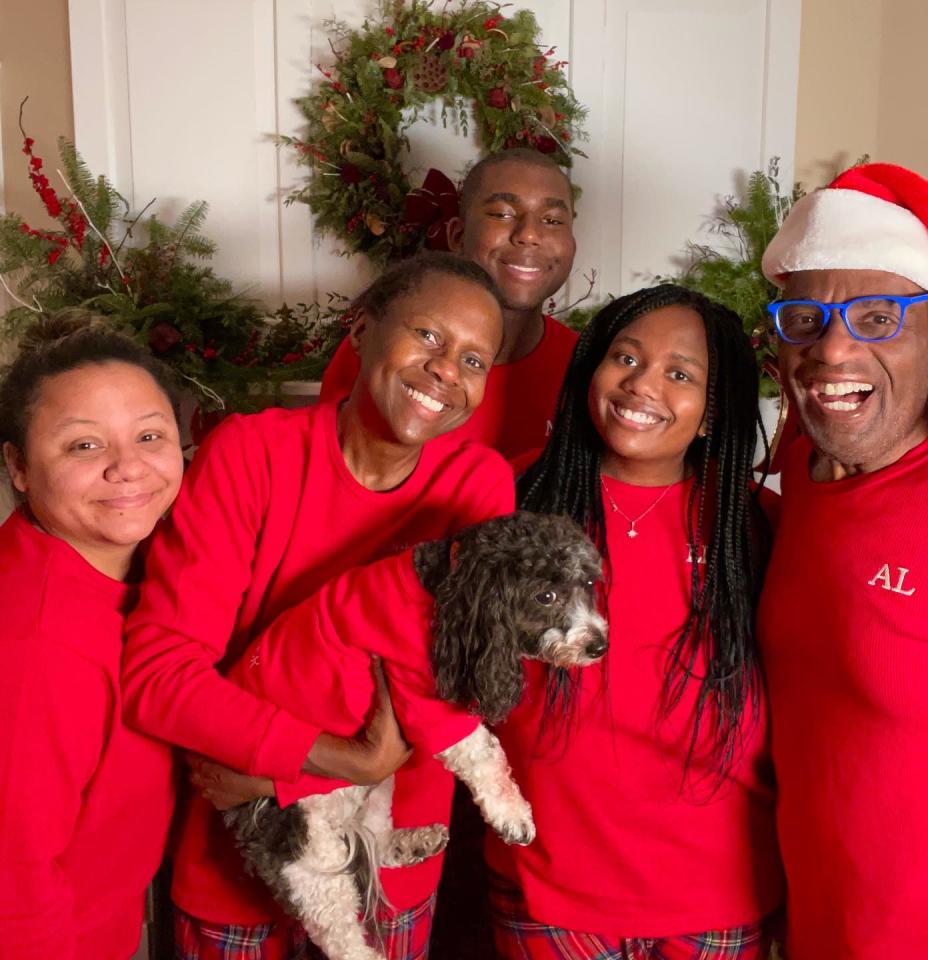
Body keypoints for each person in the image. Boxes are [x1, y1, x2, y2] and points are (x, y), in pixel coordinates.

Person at [120, 252, 516, 960]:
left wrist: (291, 771)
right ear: (361, 328)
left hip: (387, 862)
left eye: (475, 359)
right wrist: (354, 759)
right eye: (427, 336)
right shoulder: (249, 454)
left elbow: (459, 675)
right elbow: (160, 679)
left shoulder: (476, 487)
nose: (447, 371)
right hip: (234, 852)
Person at [487, 284, 782, 958]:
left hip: (717, 890)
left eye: (680, 374)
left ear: (711, 413)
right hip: (550, 883)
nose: (643, 384)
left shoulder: (756, 523)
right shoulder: (514, 495)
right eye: (625, 357)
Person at [758, 163, 928, 958]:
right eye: (804, 319)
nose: (832, 349)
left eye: (879, 318)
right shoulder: (801, 473)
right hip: (810, 921)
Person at [0, 321, 184, 959]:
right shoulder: (35, 642)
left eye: (151, 436)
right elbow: (13, 883)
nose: (129, 467)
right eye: (83, 445)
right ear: (18, 466)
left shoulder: (142, 565)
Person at [320, 148, 579, 461]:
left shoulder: (586, 368)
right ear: (457, 235)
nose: (528, 235)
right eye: (502, 214)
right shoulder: (383, 347)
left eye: (552, 220)